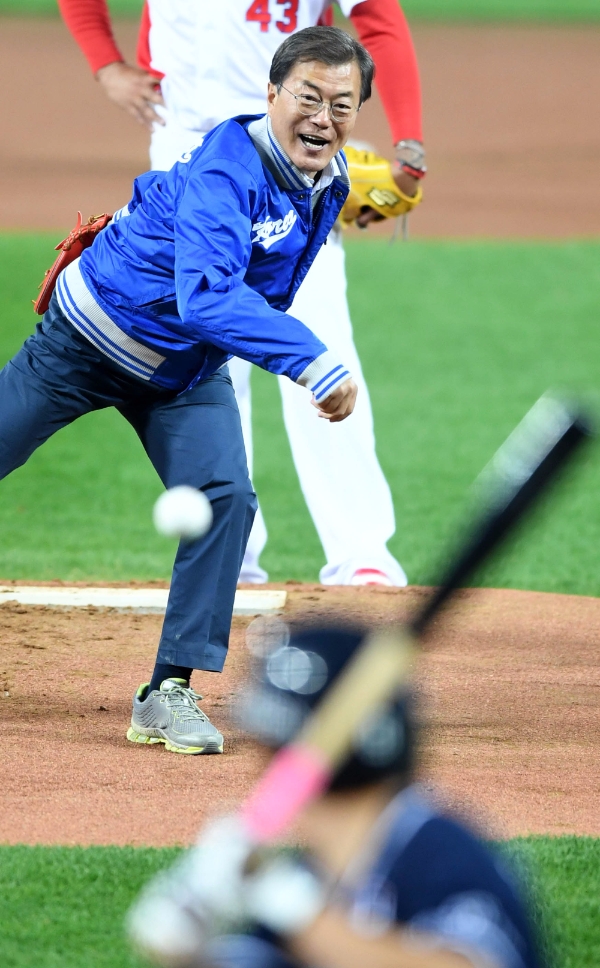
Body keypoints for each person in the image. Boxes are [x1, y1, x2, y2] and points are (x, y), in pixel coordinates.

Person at [0, 27, 371, 755]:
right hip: (87, 340)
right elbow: (206, 297)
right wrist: (312, 363)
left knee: (225, 496)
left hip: (185, 373)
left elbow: (261, 279)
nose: (323, 117)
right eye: (308, 97)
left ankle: (169, 692)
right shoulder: (225, 171)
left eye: (343, 104)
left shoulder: (330, 183)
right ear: (270, 95)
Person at [58, 0, 427, 588]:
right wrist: (106, 65)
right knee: (208, 364)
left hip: (293, 150)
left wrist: (409, 140)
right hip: (185, 149)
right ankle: (230, 553)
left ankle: (362, 553)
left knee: (324, 351)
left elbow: (378, 16)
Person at [128, 622, 545, 968]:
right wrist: (196, 953)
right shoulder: (313, 876)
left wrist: (296, 911)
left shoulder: (438, 852)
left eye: (270, 747)